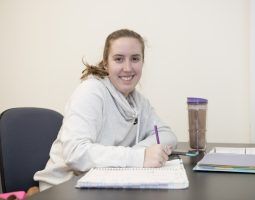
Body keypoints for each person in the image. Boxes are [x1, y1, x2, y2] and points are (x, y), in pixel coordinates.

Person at [34, 29, 177, 191]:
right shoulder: (91, 91)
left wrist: (139, 152)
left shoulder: (138, 101)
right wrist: (139, 157)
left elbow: (167, 135)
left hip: (104, 183)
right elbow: (75, 153)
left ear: (143, 62)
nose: (128, 67)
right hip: (65, 187)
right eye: (118, 59)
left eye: (135, 59)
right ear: (105, 63)